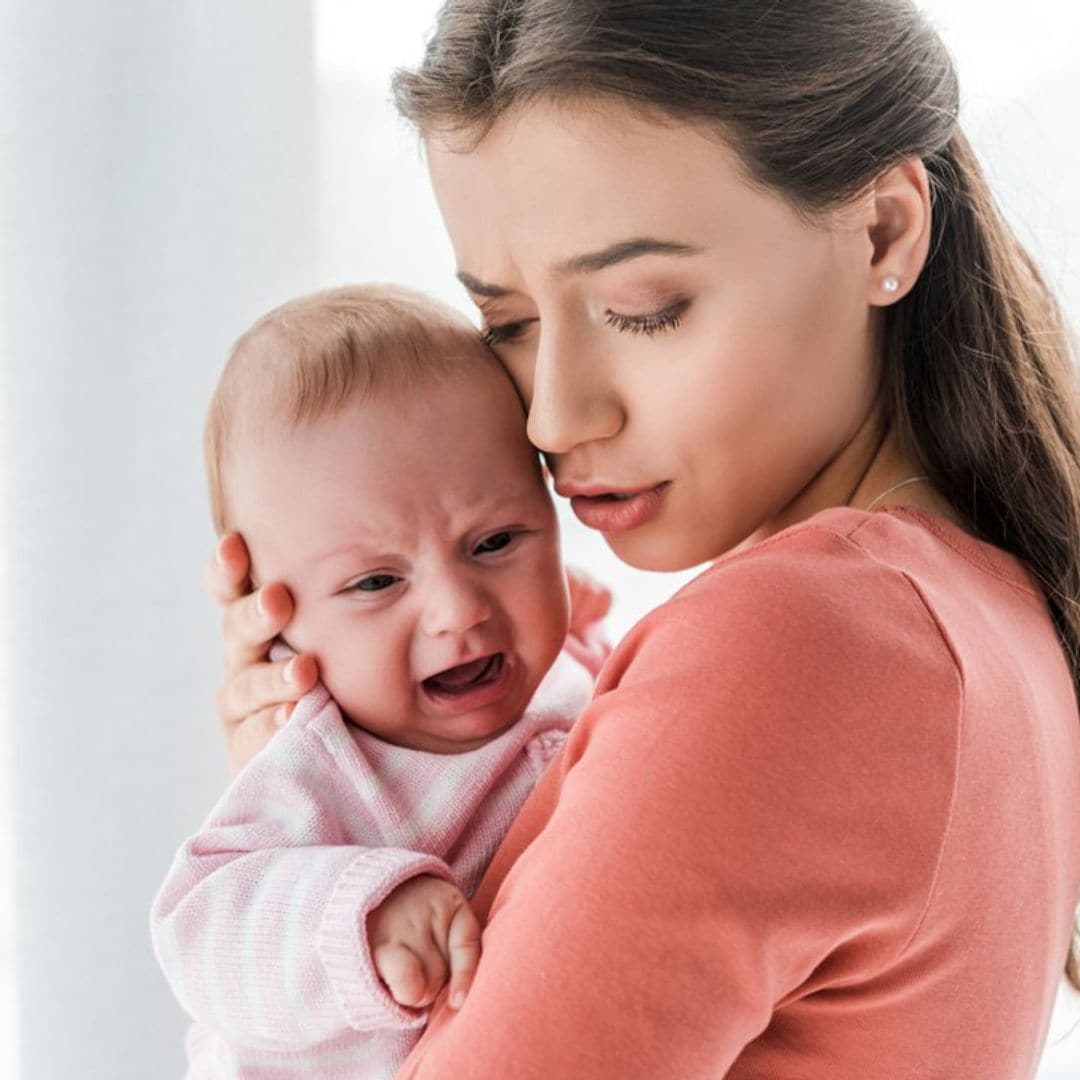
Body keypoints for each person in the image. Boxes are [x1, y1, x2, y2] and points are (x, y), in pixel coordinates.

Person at [205, 2, 1080, 1076]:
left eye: (643, 307)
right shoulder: (978, 606)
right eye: (509, 327)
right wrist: (336, 795)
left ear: (884, 233)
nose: (554, 417)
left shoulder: (807, 636)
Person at [151, 284, 610, 1079]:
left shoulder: (568, 670)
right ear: (275, 619)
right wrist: (359, 917)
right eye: (374, 584)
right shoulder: (323, 767)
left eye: (495, 540)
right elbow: (200, 929)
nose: (457, 611)